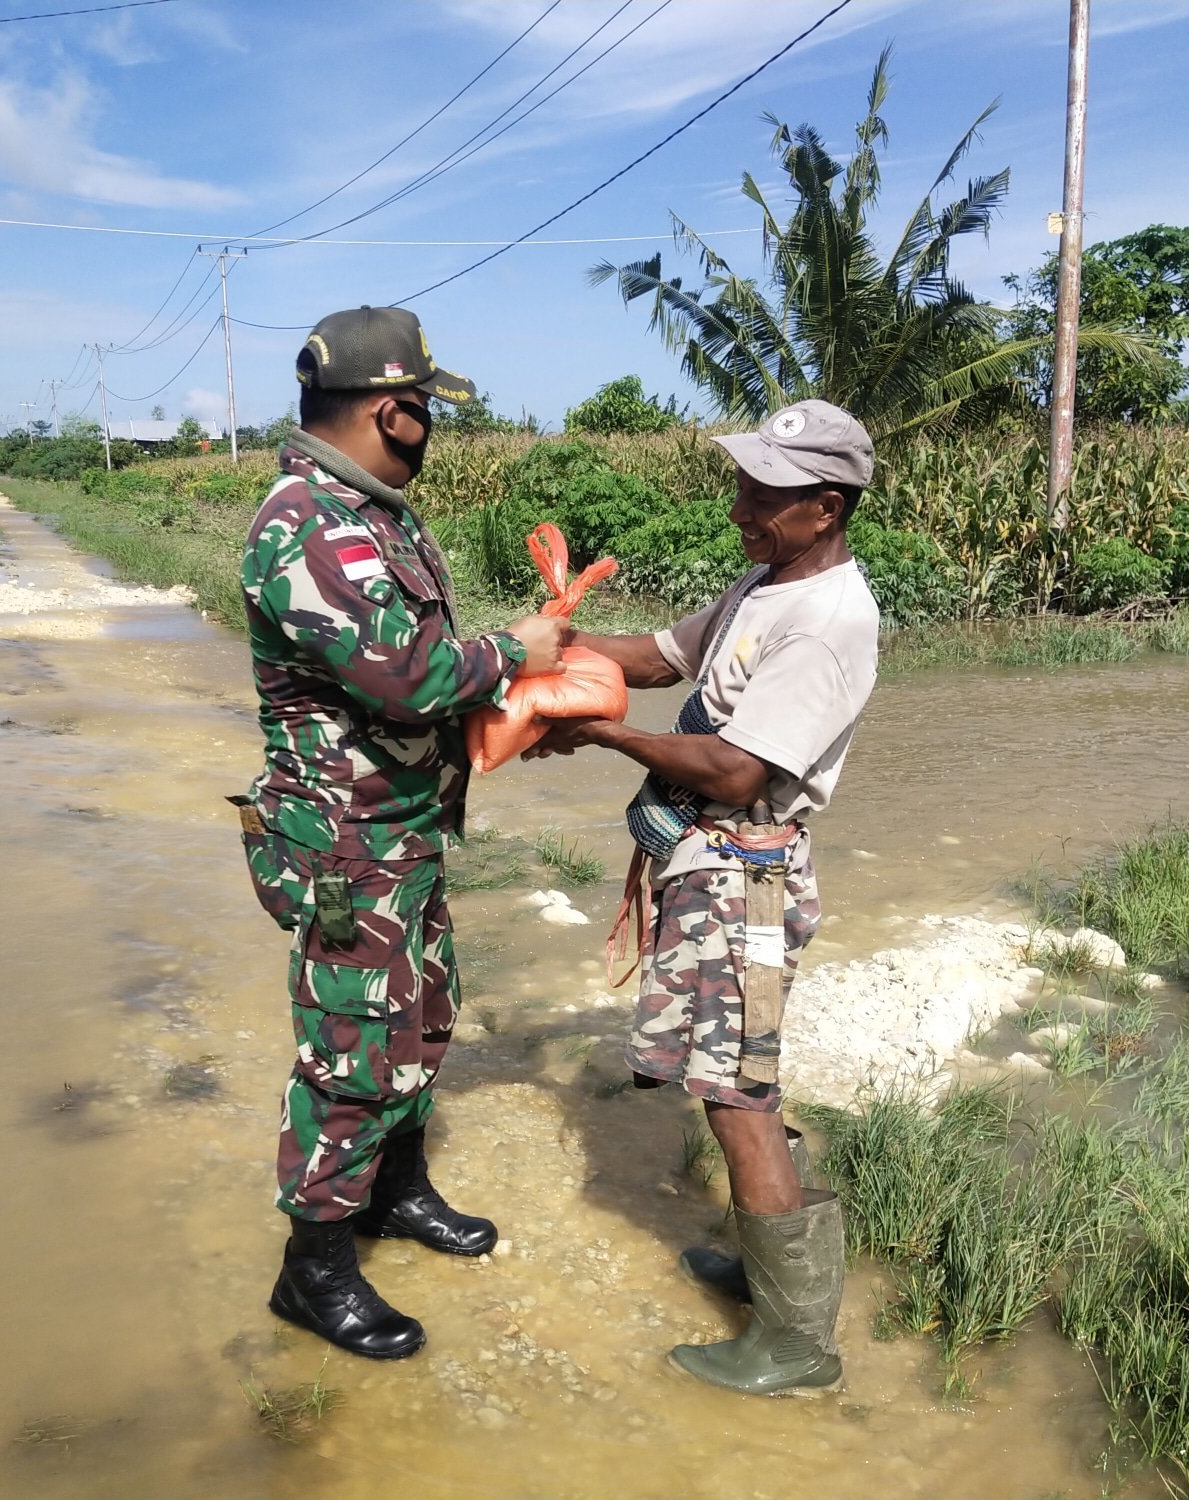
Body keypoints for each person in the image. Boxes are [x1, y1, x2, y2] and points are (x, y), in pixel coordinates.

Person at [526, 398, 881, 1395]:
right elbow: (658, 656)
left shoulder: (827, 622)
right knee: (733, 1076)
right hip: (710, 870)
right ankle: (762, 1271)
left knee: (737, 1093)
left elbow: (731, 770)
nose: (739, 509)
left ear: (822, 505)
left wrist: (597, 733)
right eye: (741, 484)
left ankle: (798, 1345)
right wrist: (563, 650)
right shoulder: (765, 583)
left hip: (746, 881)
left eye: (761, 494)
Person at [236, 306, 566, 1360]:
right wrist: (517, 651)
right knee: (352, 1052)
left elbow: (408, 677)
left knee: (418, 1019)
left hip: (399, 828)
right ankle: (313, 1272)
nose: (431, 428)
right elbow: (410, 674)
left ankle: (394, 1195)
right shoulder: (308, 525)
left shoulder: (371, 513)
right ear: (395, 411)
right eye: (426, 410)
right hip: (343, 843)